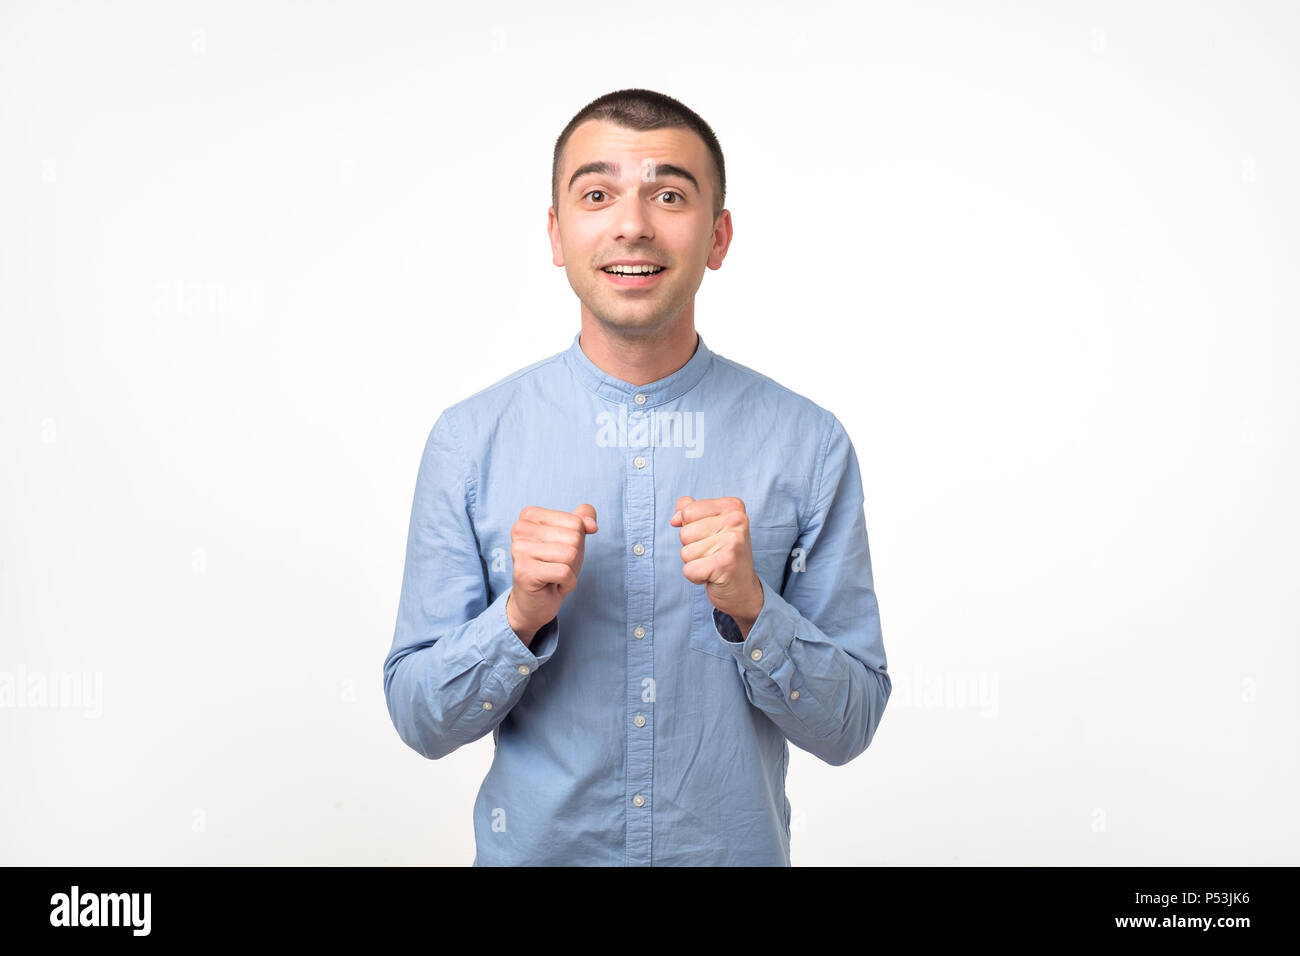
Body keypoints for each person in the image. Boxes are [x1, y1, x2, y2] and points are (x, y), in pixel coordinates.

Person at [383, 88, 891, 866]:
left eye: (669, 195)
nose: (633, 224)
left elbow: (849, 727)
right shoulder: (470, 442)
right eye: (597, 194)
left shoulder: (809, 444)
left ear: (718, 237)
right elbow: (421, 719)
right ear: (557, 234)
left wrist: (754, 611)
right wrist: (515, 619)